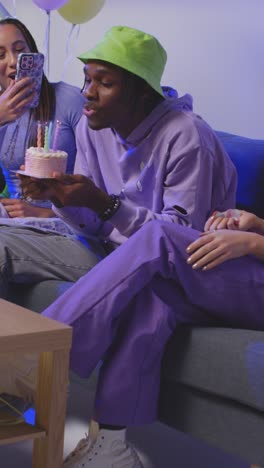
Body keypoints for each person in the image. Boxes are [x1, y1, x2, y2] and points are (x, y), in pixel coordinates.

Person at [1, 25, 238, 468]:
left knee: (155, 298)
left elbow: (176, 238)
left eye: (104, 83)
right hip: (112, 252)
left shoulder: (187, 136)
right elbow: (93, 225)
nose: (86, 94)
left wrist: (104, 204)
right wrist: (63, 200)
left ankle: (34, 367)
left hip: (190, 265)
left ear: (142, 94)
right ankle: (107, 442)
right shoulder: (95, 126)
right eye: (87, 79)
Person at [0, 17, 84, 218]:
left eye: (20, 50)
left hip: (65, 223)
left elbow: (101, 187)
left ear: (34, 55)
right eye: (0, 55)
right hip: (12, 224)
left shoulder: (69, 99)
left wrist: (44, 214)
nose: (13, 62)